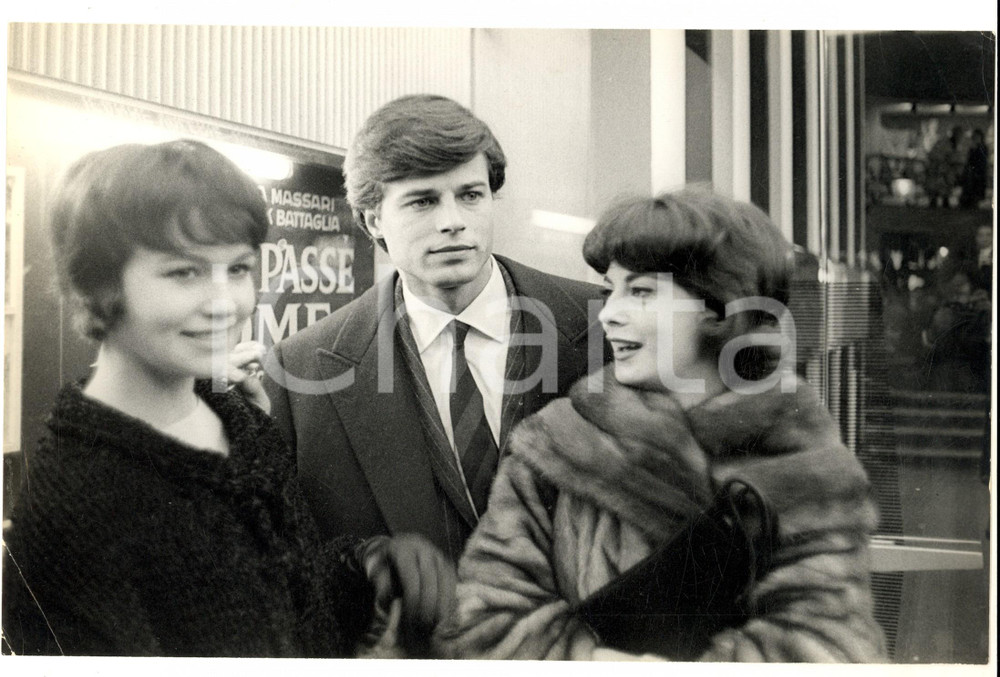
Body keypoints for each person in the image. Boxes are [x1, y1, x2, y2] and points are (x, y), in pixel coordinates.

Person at [1, 140, 447, 657]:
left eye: (237, 269)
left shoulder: (239, 420)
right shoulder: (70, 512)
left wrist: (368, 565)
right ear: (98, 287)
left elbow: (288, 586)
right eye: (184, 272)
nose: (225, 304)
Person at [440, 189, 887, 661]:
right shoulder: (557, 445)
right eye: (610, 289)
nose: (609, 313)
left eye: (641, 291)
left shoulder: (807, 464)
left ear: (719, 307)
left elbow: (827, 644)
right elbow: (483, 621)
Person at [263, 95, 606, 568]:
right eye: (423, 201)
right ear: (372, 219)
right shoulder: (299, 372)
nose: (453, 222)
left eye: (471, 195)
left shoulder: (601, 325)